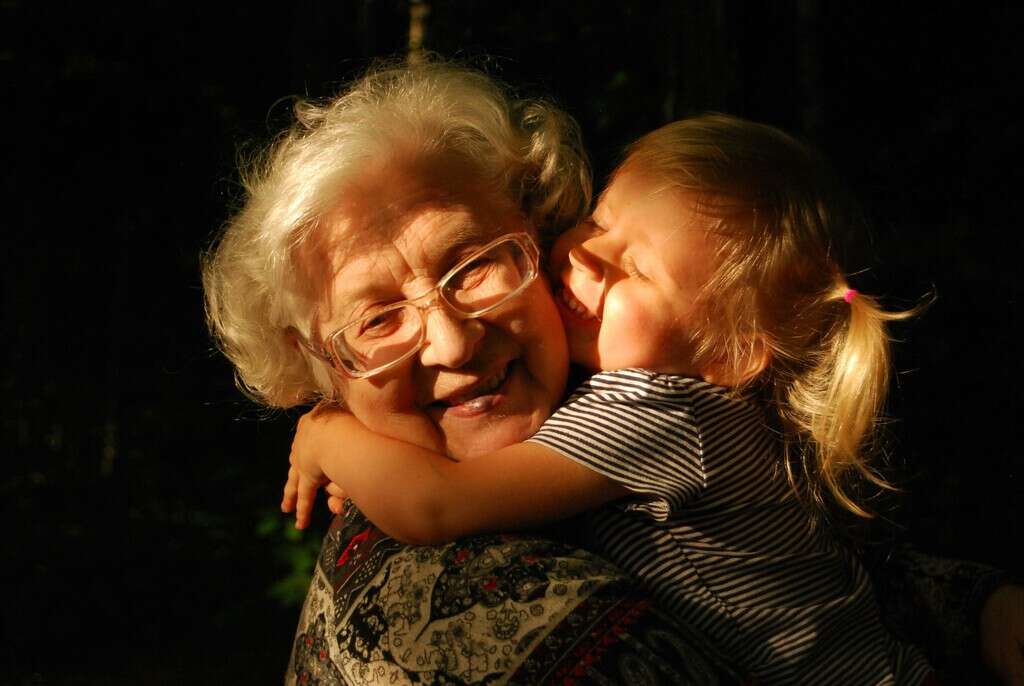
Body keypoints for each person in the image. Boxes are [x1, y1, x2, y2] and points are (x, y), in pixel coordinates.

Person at [203, 57, 1023, 684]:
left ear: (532, 229)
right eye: (377, 318)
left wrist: (326, 434)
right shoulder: (440, 616)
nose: (453, 344)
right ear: (317, 366)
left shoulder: (644, 404)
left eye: (476, 264)